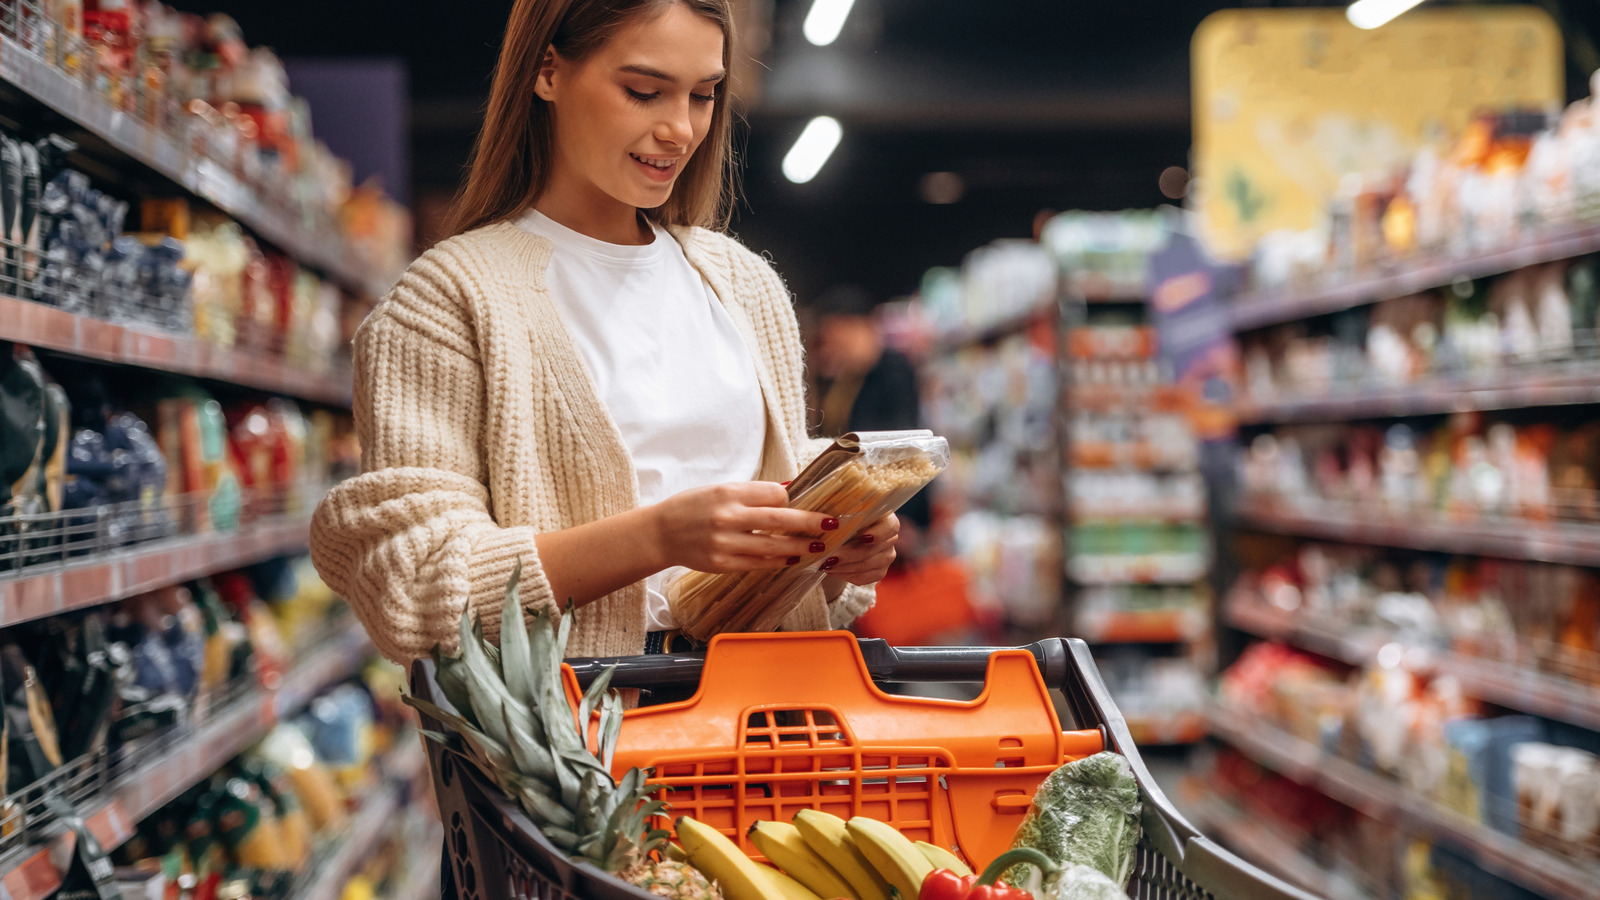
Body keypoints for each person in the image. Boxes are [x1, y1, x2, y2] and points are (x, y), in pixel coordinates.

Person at [308, 0, 898, 666]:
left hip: (761, 711)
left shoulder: (745, 285)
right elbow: (412, 586)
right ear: (547, 71)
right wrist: (655, 538)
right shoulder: (446, 301)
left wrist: (833, 554)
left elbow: (790, 578)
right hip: (578, 723)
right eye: (643, 91)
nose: (680, 129)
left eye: (704, 95)